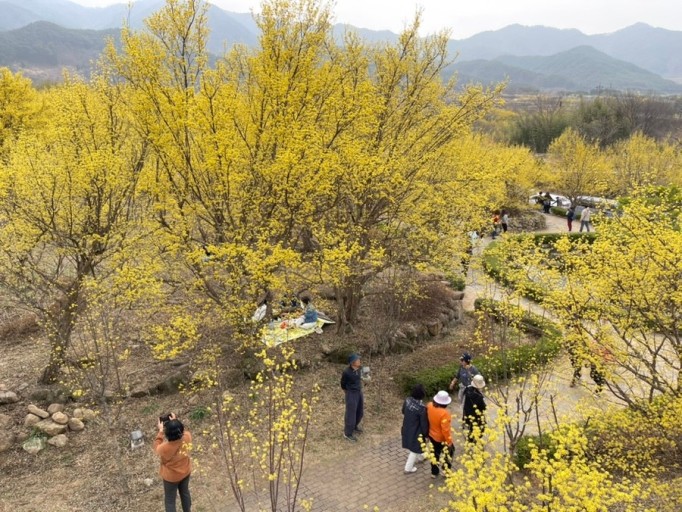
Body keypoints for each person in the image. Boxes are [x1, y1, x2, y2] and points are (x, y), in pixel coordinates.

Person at [154, 413, 192, 512]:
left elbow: (156, 447)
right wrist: (175, 422)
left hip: (171, 477)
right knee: (185, 493)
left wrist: (161, 431)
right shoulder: (187, 437)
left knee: (170, 500)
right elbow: (184, 431)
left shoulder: (164, 448)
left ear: (167, 434)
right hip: (185, 471)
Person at [401, 384, 429, 473]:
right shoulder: (421, 408)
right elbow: (423, 423)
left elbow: (403, 411)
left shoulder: (407, 400)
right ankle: (408, 468)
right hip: (416, 431)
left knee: (418, 446)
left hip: (406, 427)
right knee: (414, 449)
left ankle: (422, 457)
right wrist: (426, 434)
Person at [427, 391, 454, 478]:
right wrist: (449, 441)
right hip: (441, 438)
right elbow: (445, 430)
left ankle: (434, 472)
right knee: (449, 452)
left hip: (431, 435)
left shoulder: (429, 405)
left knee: (434, 453)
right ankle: (446, 471)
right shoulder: (445, 414)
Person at [341, 353, 365, 441]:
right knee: (351, 414)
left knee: (360, 411)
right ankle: (347, 433)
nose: (359, 361)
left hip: (359, 392)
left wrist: (366, 379)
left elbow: (361, 378)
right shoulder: (346, 372)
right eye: (358, 360)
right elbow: (343, 383)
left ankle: (354, 426)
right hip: (351, 393)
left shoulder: (359, 369)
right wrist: (347, 392)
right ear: (353, 362)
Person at [462, 375, 487, 444]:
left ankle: (469, 440)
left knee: (469, 428)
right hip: (476, 417)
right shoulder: (479, 397)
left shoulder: (467, 389)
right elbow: (483, 408)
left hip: (467, 413)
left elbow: (462, 399)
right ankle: (474, 441)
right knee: (480, 429)